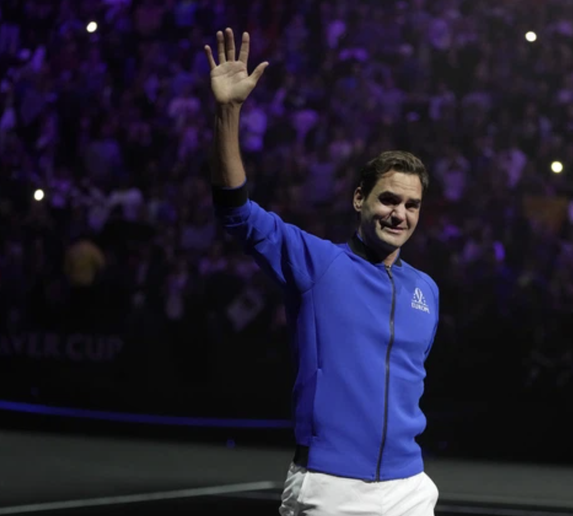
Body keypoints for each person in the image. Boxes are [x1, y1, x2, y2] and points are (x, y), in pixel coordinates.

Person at [203, 29, 440, 516]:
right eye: (388, 199)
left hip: (409, 488)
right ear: (360, 199)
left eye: (411, 205)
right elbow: (237, 213)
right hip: (331, 488)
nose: (400, 214)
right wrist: (228, 112)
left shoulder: (427, 291)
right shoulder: (318, 262)